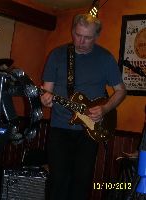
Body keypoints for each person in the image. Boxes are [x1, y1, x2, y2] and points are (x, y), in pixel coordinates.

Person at [41, 13, 126, 200]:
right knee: (57, 182)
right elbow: (47, 91)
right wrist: (45, 99)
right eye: (78, 35)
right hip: (60, 128)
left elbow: (121, 91)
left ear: (96, 36)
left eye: (87, 38)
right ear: (72, 31)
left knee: (81, 182)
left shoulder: (105, 58)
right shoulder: (57, 55)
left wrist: (105, 109)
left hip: (90, 130)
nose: (81, 41)